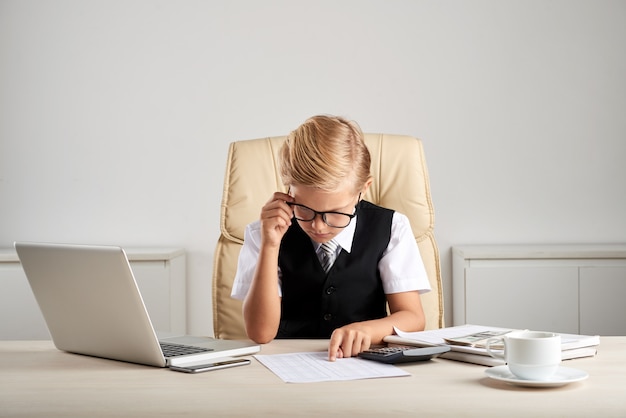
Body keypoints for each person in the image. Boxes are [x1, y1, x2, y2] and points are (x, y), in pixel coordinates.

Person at [231, 114, 431, 361]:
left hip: (363, 363)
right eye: (304, 209)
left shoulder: (391, 228)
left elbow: (413, 317)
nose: (318, 226)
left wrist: (368, 330)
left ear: (363, 189)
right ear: (288, 190)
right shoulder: (262, 233)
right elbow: (260, 333)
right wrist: (270, 245)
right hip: (286, 363)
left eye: (335, 213)